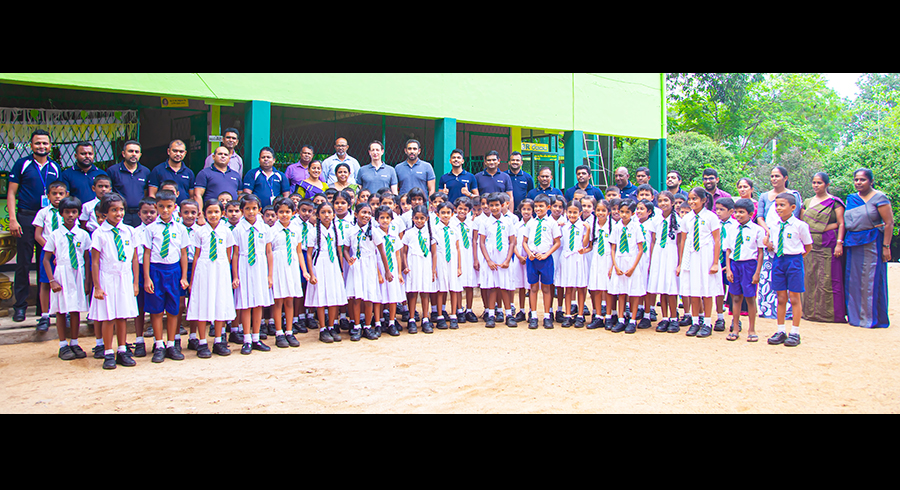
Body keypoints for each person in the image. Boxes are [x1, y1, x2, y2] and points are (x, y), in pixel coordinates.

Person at [7, 129, 63, 322]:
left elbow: (59, 195)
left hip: (47, 218)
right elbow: (12, 193)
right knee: (23, 262)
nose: (41, 146)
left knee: (45, 261)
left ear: (50, 146)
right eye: (37, 143)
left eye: (45, 143)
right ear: (31, 145)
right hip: (26, 217)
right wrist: (13, 219)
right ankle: (20, 306)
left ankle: (43, 308)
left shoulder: (55, 167)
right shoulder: (22, 164)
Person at [88, 193, 140, 370]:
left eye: (121, 210)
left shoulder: (129, 231)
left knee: (122, 315)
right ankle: (108, 352)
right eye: (114, 210)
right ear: (105, 212)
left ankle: (122, 349)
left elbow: (134, 258)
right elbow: (95, 261)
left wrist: (134, 282)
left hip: (124, 277)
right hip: (107, 278)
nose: (119, 214)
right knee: (108, 316)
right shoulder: (99, 233)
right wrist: (97, 286)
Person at [142, 190, 191, 362]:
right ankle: (159, 344)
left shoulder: (180, 229)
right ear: (156, 207)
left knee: (174, 309)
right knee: (156, 310)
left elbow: (183, 253)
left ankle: (171, 344)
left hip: (174, 271)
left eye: (169, 207)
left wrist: (184, 276)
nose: (165, 210)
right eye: (161, 207)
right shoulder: (150, 229)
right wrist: (147, 277)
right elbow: (146, 254)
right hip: (156, 271)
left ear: (175, 207)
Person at [843, 168, 893, 329]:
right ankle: (855, 317)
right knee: (853, 279)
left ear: (871, 181)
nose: (858, 183)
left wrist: (886, 246)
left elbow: (889, 223)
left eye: (862, 180)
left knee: (870, 278)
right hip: (853, 243)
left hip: (872, 242)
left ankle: (871, 317)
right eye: (856, 180)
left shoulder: (880, 198)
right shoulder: (851, 199)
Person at [42, 196, 91, 360]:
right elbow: (46, 259)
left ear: (78, 213)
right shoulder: (55, 235)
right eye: (67, 212)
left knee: (75, 309)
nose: (71, 215)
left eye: (74, 212)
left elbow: (87, 257)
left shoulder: (83, 235)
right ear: (61, 213)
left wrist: (88, 280)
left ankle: (75, 342)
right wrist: (52, 280)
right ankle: (63, 344)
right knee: (61, 310)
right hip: (61, 275)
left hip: (78, 274)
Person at [186, 199, 235, 357]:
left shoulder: (226, 231)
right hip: (204, 270)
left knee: (220, 303)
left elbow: (228, 255)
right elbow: (196, 256)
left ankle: (218, 340)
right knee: (203, 303)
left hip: (220, 270)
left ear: (222, 214)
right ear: (204, 214)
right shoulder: (200, 232)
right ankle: (202, 342)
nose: (213, 215)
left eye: (216, 212)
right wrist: (193, 280)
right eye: (210, 212)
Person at [756, 166, 803, 320]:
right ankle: (767, 308)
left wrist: (777, 238)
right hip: (769, 237)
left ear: (785, 178)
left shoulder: (793, 196)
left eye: (777, 176)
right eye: (772, 176)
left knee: (788, 275)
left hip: (787, 240)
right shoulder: (764, 196)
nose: (774, 179)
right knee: (769, 274)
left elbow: (793, 217)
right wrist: (768, 234)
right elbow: (760, 217)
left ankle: (788, 311)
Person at [766, 192, 813, 347]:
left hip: (794, 260)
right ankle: (780, 330)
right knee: (780, 297)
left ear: (793, 207)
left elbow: (808, 246)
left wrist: (797, 259)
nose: (778, 208)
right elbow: (772, 244)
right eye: (777, 205)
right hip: (778, 260)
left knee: (794, 297)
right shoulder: (774, 226)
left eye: (782, 205)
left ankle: (795, 331)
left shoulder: (800, 225)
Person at [799, 172, 846, 324]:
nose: (816, 185)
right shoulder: (807, 202)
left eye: (819, 183)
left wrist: (839, 243)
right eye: (814, 182)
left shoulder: (834, 202)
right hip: (810, 244)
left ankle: (829, 314)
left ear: (827, 184)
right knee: (810, 277)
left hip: (828, 244)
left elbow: (841, 223)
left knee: (828, 277)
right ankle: (809, 312)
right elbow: (803, 223)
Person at [231, 194, 274, 354]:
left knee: (258, 303)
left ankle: (256, 338)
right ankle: (246, 339)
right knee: (246, 304)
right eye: (247, 209)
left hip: (260, 267)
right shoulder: (237, 230)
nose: (251, 212)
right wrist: (235, 276)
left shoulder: (265, 228)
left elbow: (269, 252)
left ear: (259, 210)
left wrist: (270, 275)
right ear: (242, 211)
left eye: (254, 208)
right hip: (244, 266)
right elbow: (235, 254)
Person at [302, 200, 349, 343]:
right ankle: (322, 328)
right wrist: (311, 273)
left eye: (329, 212)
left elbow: (339, 252)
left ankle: (331, 326)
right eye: (323, 212)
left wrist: (341, 270)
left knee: (334, 296)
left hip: (333, 264)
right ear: (317, 215)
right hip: (320, 264)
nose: (326, 215)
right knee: (321, 297)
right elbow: (309, 254)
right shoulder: (312, 231)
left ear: (334, 215)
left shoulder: (337, 231)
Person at [679, 187, 721, 338]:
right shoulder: (686, 219)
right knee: (693, 290)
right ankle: (695, 321)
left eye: (695, 198)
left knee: (707, 290)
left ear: (704, 200)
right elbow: (683, 241)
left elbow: (717, 240)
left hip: (706, 255)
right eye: (690, 199)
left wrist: (715, 262)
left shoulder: (711, 217)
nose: (691, 202)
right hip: (691, 256)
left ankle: (707, 322)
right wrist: (681, 262)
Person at [724, 198, 766, 342]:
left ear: (751, 214)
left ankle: (752, 329)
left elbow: (760, 253)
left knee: (750, 298)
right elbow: (728, 251)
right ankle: (735, 327)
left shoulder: (758, 230)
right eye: (736, 212)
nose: (738, 215)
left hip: (749, 265)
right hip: (735, 265)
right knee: (735, 297)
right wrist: (728, 269)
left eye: (741, 212)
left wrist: (757, 272)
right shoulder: (731, 229)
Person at [33, 180, 70, 332]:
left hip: (65, 252)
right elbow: (38, 235)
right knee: (46, 282)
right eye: (54, 194)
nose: (57, 197)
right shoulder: (43, 213)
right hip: (48, 252)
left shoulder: (68, 213)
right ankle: (45, 315)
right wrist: (51, 250)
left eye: (61, 194)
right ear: (48, 196)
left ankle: (66, 312)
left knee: (65, 281)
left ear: (66, 194)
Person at [646, 192, 685, 333]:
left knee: (671, 287)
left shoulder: (679, 221)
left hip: (671, 254)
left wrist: (680, 262)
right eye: (660, 201)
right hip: (658, 254)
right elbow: (653, 241)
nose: (663, 203)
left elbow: (680, 242)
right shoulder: (655, 220)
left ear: (673, 202)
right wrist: (650, 261)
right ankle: (665, 317)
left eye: (666, 200)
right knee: (661, 288)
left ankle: (674, 317)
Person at [269, 197, 304, 347]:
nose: (284, 215)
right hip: (278, 265)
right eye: (281, 212)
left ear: (293, 212)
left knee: (290, 300)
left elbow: (299, 251)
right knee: (278, 300)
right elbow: (268, 253)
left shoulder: (296, 230)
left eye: (287, 212)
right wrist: (269, 274)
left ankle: (289, 331)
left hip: (292, 266)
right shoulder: (271, 231)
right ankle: (279, 332)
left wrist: (304, 271)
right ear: (276, 213)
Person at [478, 194, 516, 328]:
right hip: (491, 259)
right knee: (492, 287)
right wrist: (488, 260)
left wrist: (507, 260)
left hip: (504, 259)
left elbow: (512, 242)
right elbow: (481, 243)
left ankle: (509, 315)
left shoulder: (508, 222)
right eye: (491, 205)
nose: (494, 208)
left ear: (503, 205)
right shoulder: (485, 222)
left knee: (505, 287)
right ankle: (491, 315)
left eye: (497, 205)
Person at [608, 199, 645, 334]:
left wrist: (633, 267)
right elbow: (613, 248)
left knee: (634, 292)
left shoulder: (636, 227)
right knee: (621, 292)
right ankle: (621, 318)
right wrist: (615, 266)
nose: (624, 215)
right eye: (622, 212)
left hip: (632, 263)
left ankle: (633, 320)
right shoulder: (617, 227)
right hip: (620, 262)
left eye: (627, 212)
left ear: (633, 213)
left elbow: (640, 249)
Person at [557, 199, 590, 328]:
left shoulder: (583, 226)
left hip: (578, 257)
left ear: (580, 213)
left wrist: (587, 230)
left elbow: (586, 243)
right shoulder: (563, 226)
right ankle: (568, 314)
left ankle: (580, 315)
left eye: (575, 213)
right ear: (566, 212)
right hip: (566, 258)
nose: (572, 215)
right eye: (570, 212)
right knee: (568, 288)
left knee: (581, 287)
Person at [107, 140, 151, 227]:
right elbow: (109, 193)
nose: (134, 154)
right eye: (130, 151)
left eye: (136, 152)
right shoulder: (113, 171)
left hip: (139, 213)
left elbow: (146, 192)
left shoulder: (145, 171)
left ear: (140, 155)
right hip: (120, 213)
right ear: (123, 153)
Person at [148, 140, 195, 205]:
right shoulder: (158, 170)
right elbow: (152, 194)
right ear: (168, 151)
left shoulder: (189, 173)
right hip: (164, 211)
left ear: (185, 153)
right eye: (175, 151)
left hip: (183, 212)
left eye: (181, 151)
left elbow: (192, 196)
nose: (178, 154)